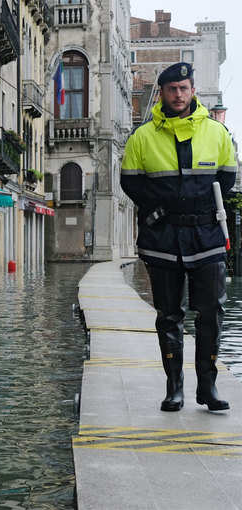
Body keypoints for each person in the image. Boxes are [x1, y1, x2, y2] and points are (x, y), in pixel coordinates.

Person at [121, 62, 237, 412]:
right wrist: (161, 207)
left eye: (184, 88)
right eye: (172, 89)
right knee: (168, 315)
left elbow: (227, 177)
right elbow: (131, 182)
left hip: (206, 236)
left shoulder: (217, 133)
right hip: (164, 238)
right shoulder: (141, 138)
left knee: (210, 314)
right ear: (162, 92)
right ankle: (175, 388)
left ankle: (208, 387)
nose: (178, 94)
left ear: (192, 90)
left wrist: (198, 206)